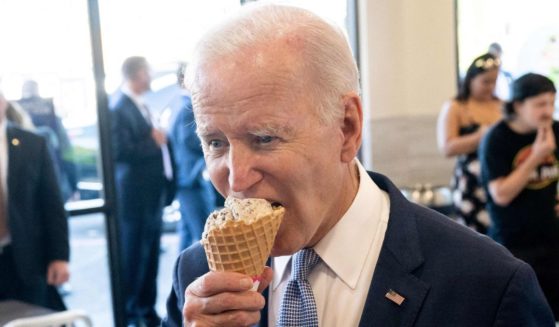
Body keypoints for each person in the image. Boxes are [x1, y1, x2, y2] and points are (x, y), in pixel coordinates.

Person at [163, 4, 554, 326]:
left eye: (265, 138)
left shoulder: (487, 287)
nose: (236, 177)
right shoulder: (196, 277)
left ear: (347, 128)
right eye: (215, 142)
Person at [479, 73, 559, 320]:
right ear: (517, 105)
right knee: (521, 316)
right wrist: (537, 155)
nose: (547, 111)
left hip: (552, 239)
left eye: (551, 103)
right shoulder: (497, 139)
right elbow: (501, 195)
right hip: (513, 244)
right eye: (539, 104)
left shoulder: (555, 130)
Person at [110, 56, 172, 327]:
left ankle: (147, 309)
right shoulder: (118, 108)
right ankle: (134, 312)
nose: (152, 77)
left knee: (150, 256)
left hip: (152, 194)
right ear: (136, 74)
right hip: (134, 198)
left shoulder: (142, 104)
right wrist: (153, 141)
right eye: (148, 72)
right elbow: (119, 152)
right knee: (135, 256)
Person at [0, 90, 70, 310]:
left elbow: (52, 204)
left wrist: (59, 257)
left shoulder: (33, 143)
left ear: (3, 102)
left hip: (25, 258)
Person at [437, 53, 502, 234]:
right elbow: (447, 148)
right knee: (474, 237)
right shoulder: (456, 106)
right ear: (471, 79)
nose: (490, 87)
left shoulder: (502, 105)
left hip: (498, 176)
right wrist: (479, 137)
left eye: (494, 82)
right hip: (471, 183)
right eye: (485, 82)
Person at [168, 63, 217, 250]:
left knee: (188, 231)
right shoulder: (188, 106)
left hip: (186, 178)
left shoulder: (177, 104)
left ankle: (184, 277)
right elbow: (188, 139)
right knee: (205, 233)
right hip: (192, 179)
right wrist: (213, 141)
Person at [17, 80, 78, 202]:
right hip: (54, 183)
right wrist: (73, 184)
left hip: (23, 188)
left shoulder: (15, 124)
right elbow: (67, 153)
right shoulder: (53, 122)